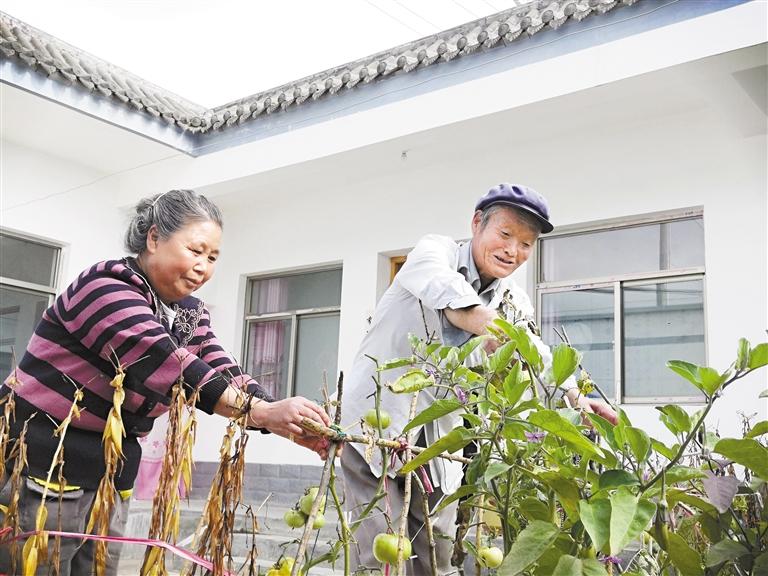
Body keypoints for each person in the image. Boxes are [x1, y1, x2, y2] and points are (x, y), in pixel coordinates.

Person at [0, 189, 332, 575]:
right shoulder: (105, 287)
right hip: (43, 466)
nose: (203, 267)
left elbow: (217, 365)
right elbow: (166, 363)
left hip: (110, 475)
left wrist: (278, 416)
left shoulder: (187, 312)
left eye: (212, 258)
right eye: (195, 250)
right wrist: (261, 412)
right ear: (154, 238)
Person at [339, 183, 618, 574]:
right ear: (476, 224)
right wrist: (502, 332)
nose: (513, 251)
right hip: (376, 422)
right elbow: (455, 303)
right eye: (505, 235)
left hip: (438, 441)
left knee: (435, 553)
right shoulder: (433, 252)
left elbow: (534, 350)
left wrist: (574, 396)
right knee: (380, 554)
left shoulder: (514, 300)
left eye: (525, 244)